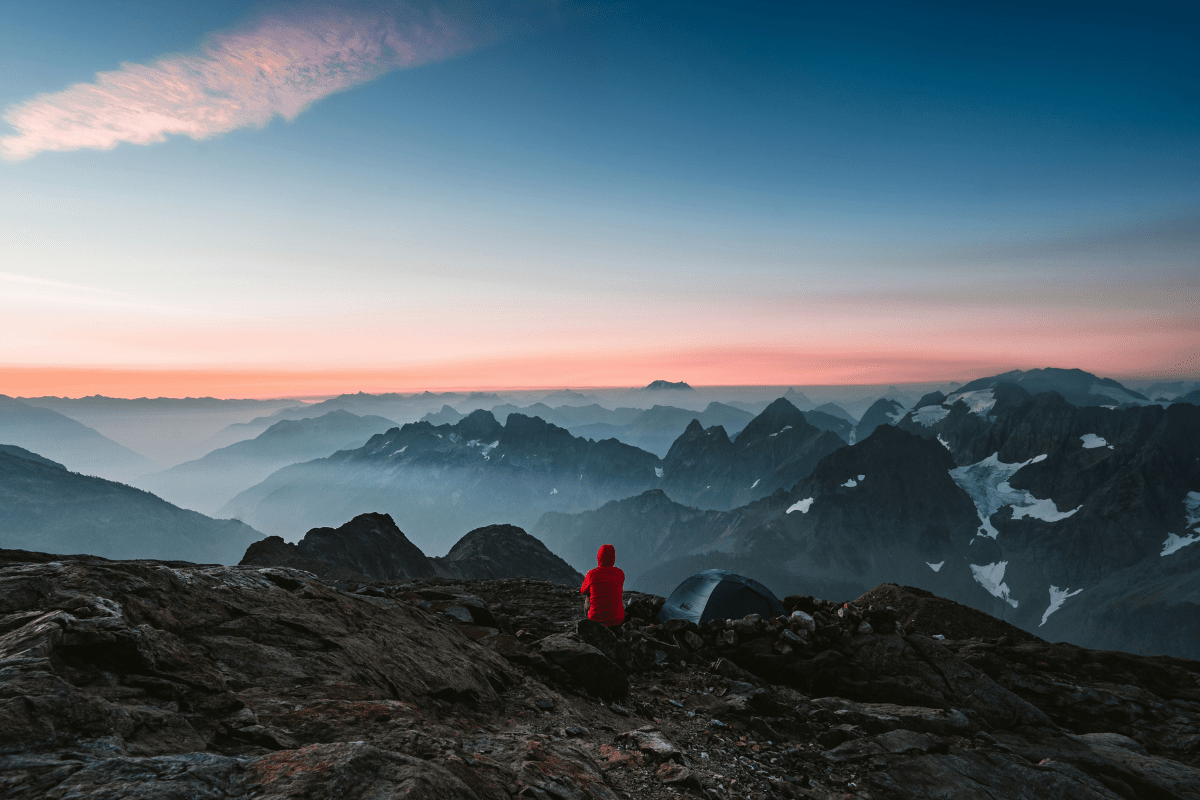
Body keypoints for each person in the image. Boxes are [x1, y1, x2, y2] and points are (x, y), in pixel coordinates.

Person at [580, 543, 625, 629]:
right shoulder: (620, 573)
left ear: (599, 557)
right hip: (617, 620)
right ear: (613, 558)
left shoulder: (591, 574)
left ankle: (590, 618)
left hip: (595, 620)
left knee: (588, 594)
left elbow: (583, 590)